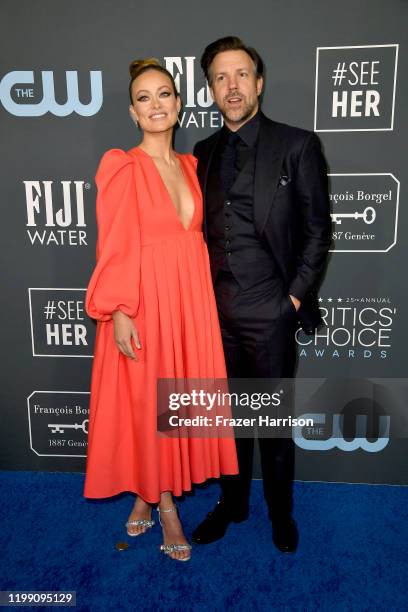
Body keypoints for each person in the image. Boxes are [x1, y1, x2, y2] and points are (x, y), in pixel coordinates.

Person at [83, 58, 238, 562]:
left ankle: (150, 491)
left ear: (178, 105)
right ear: (132, 111)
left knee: (179, 401)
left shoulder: (192, 167)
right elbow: (116, 244)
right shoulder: (122, 165)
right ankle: (163, 503)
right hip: (145, 300)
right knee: (150, 405)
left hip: (190, 302)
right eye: (144, 97)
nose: (156, 104)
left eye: (164, 94)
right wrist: (122, 311)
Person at [191, 37, 332, 553]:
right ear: (210, 89)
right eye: (221, 78)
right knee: (223, 425)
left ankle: (279, 513)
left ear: (259, 82)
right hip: (213, 315)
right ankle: (232, 504)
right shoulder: (202, 154)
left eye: (241, 75)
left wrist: (292, 300)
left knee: (270, 424)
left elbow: (319, 231)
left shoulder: (297, 145)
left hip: (271, 311)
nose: (232, 86)